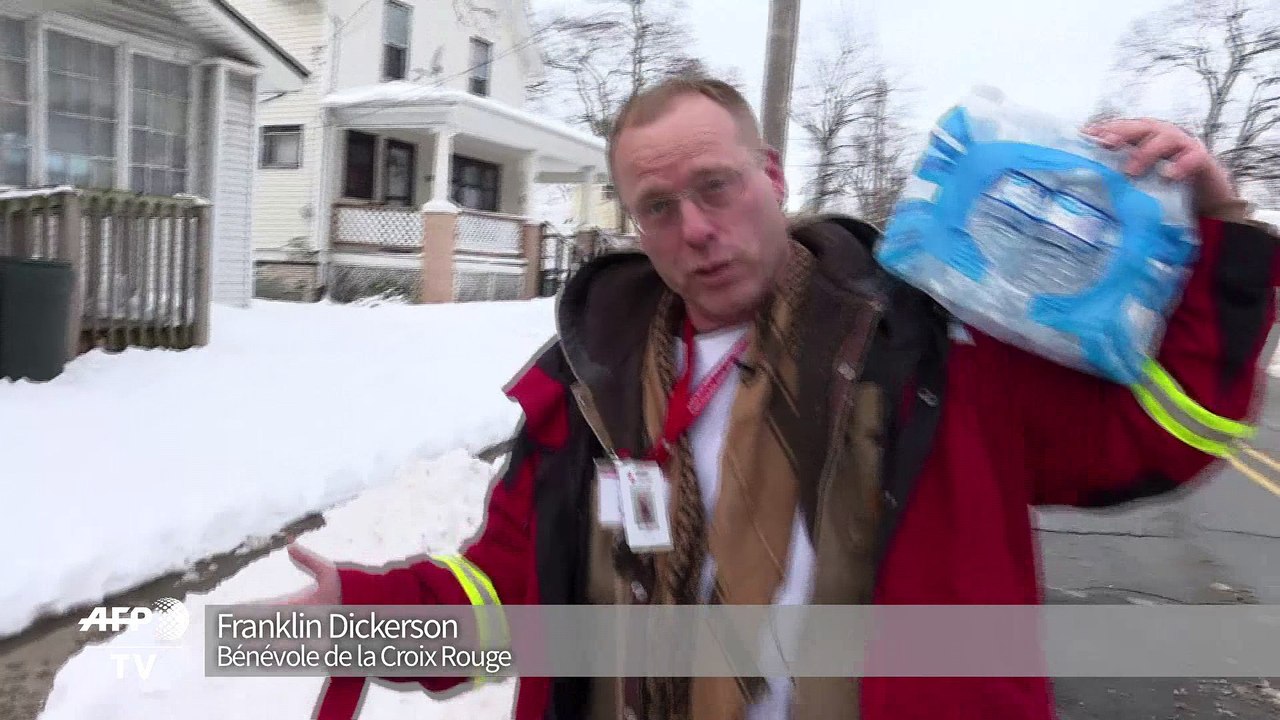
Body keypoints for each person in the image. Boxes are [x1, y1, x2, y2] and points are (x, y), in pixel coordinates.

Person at [281, 77, 1280, 720]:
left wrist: (1222, 227)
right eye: (658, 208)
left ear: (770, 173)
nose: (694, 231)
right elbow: (509, 597)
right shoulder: (590, 381)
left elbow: (1160, 435)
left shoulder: (932, 342)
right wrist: (362, 619)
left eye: (716, 188)